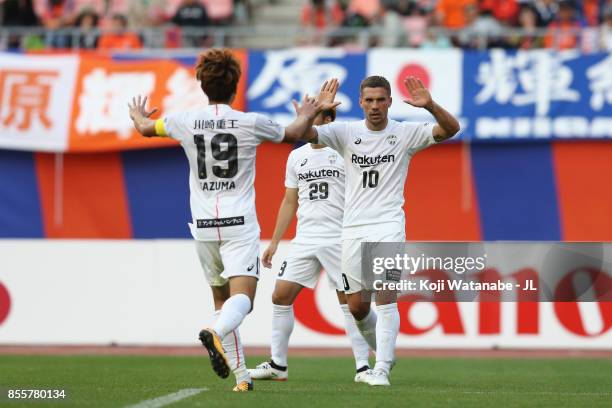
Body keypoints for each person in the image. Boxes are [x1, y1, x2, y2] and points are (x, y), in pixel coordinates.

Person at [127, 48, 338, 392]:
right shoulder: (249, 122)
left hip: (203, 224)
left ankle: (241, 377)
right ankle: (216, 333)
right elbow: (295, 132)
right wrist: (310, 112)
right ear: (235, 86)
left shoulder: (183, 121)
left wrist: (137, 114)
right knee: (243, 301)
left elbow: (146, 128)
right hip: (239, 223)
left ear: (202, 85)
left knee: (221, 301)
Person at [297, 76, 460, 386]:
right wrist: (317, 110)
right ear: (360, 102)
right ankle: (383, 349)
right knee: (357, 307)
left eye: (380, 100)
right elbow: (302, 134)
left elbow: (452, 129)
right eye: (369, 100)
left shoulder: (404, 133)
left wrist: (431, 106)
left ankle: (382, 368)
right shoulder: (345, 132)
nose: (374, 106)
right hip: (352, 228)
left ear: (390, 101)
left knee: (386, 296)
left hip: (387, 225)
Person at [248, 93, 371, 383]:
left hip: (339, 237)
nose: (305, 125)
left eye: (313, 117)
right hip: (305, 239)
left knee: (350, 303)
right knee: (280, 295)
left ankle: (364, 367)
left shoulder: (344, 151)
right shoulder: (296, 157)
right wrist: (276, 242)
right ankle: (278, 365)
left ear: (327, 121)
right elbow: (289, 201)